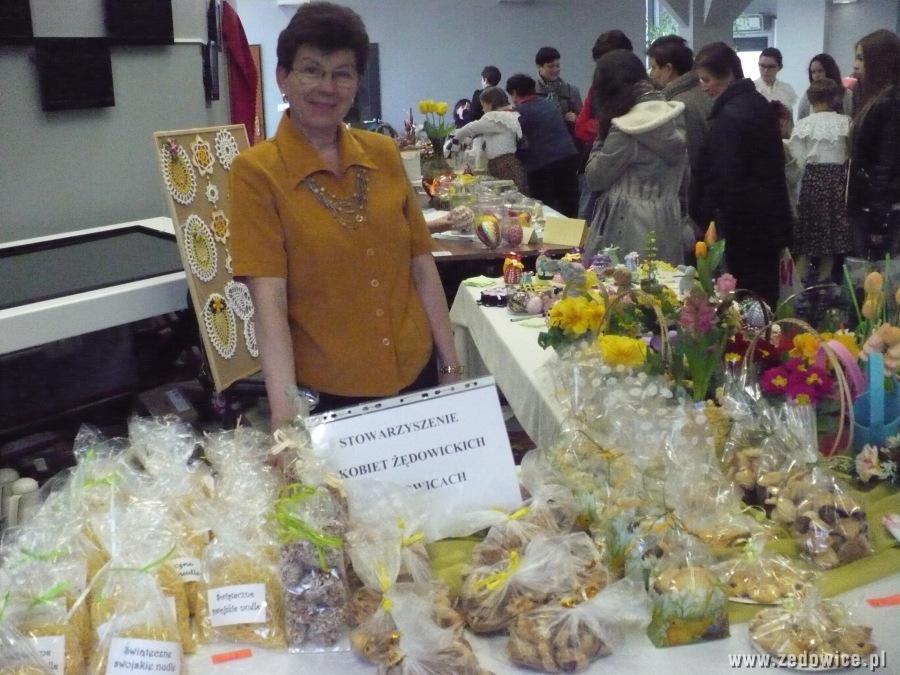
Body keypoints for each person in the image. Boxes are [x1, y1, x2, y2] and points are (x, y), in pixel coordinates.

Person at [229, 1, 461, 427]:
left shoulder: (384, 153)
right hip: (331, 395)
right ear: (282, 77)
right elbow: (269, 305)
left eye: (342, 73)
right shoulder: (256, 173)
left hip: (417, 371)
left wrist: (450, 366)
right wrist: (284, 419)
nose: (327, 87)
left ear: (356, 83)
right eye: (311, 70)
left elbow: (421, 266)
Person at [691, 42, 792, 307]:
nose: (703, 87)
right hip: (766, 223)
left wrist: (708, 216)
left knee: (745, 301)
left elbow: (726, 177)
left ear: (727, 75)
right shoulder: (756, 103)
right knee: (762, 299)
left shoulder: (732, 116)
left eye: (706, 79)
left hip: (745, 227)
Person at [583, 50, 687, 263]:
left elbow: (595, 178)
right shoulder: (672, 116)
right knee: (663, 279)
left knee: (625, 280)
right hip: (668, 217)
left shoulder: (627, 127)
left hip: (628, 223)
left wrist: (601, 137)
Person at [789, 78, 852, 283]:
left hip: (812, 180)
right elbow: (850, 154)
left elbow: (798, 159)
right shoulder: (845, 122)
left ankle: (799, 287)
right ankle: (825, 284)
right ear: (835, 98)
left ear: (810, 99)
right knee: (831, 236)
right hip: (838, 181)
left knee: (807, 237)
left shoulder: (803, 125)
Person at [848, 29, 900, 258]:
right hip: (869, 204)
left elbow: (885, 164)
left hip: (879, 208)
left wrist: (879, 220)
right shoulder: (874, 97)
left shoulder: (890, 102)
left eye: (861, 58)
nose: (855, 65)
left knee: (876, 273)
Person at [574, 29, 633, 219]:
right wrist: (604, 129)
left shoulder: (639, 92)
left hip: (625, 177)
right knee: (587, 219)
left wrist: (604, 127)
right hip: (596, 163)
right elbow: (580, 128)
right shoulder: (597, 89)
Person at [507, 73, 580, 216]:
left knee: (544, 209)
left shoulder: (520, 112)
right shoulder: (549, 104)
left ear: (514, 93)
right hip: (568, 157)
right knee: (569, 205)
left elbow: (514, 138)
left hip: (543, 164)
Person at [648, 35, 711, 177]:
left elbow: (687, 158)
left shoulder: (675, 106)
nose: (651, 74)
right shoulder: (704, 92)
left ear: (668, 69)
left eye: (654, 67)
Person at [451, 87, 528, 194]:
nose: (482, 110)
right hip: (510, 163)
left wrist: (456, 139)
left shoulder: (496, 118)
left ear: (491, 103)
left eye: (483, 105)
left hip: (503, 165)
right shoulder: (510, 115)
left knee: (507, 196)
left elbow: (470, 128)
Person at [534, 47, 582, 130]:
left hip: (567, 136)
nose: (555, 70)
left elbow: (583, 120)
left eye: (558, 66)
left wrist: (576, 118)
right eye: (550, 66)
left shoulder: (572, 91)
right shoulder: (530, 91)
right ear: (539, 67)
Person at [797, 53, 854, 119]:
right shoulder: (807, 96)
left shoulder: (847, 95)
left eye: (820, 71)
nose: (816, 76)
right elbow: (800, 121)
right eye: (813, 72)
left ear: (830, 72)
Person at [754, 47, 798, 115]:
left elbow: (789, 117)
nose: (766, 70)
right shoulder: (751, 88)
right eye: (762, 65)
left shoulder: (787, 89)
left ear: (780, 67)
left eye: (771, 66)